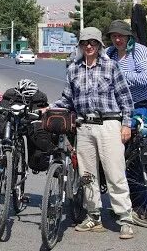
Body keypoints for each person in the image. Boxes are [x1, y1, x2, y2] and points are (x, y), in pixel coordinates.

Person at [50, 27, 136, 239]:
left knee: (114, 172)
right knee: (87, 175)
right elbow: (67, 99)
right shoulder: (73, 69)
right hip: (84, 127)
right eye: (85, 43)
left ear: (99, 45)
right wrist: (50, 107)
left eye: (93, 42)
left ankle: (125, 218)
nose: (89, 46)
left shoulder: (111, 66)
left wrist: (126, 124)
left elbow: (125, 99)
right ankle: (93, 216)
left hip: (109, 124)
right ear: (80, 46)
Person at [106, 19, 147, 220]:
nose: (117, 39)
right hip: (117, 111)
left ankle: (144, 205)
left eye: (121, 36)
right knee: (118, 158)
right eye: (113, 36)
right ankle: (122, 203)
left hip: (142, 110)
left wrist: (121, 74)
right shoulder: (109, 53)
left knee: (142, 159)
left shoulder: (139, 51)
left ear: (129, 37)